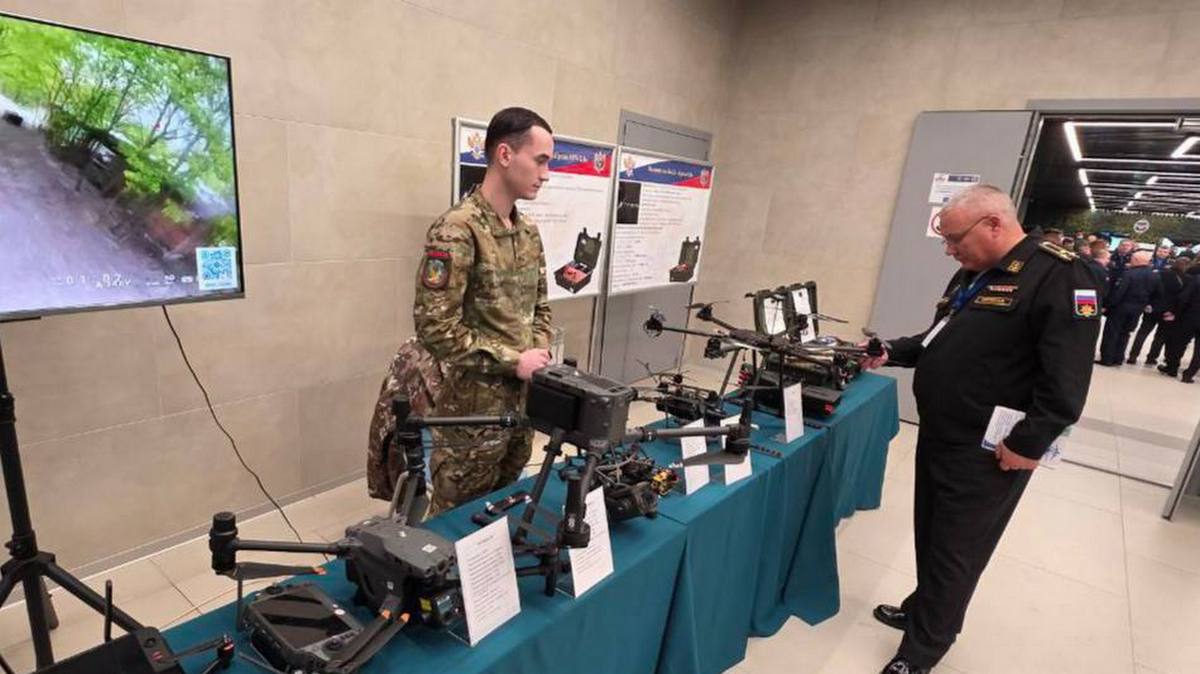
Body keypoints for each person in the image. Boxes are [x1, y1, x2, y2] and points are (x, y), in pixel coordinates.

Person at [859, 185, 1100, 674]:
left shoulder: (1061, 275)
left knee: (958, 550)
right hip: (942, 431)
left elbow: (1068, 379)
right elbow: (939, 337)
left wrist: (1028, 443)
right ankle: (923, 609)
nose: (949, 250)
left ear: (993, 223)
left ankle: (922, 651)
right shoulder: (975, 271)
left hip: (991, 448)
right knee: (931, 531)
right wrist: (893, 351)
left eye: (954, 239)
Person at [414, 107, 555, 514]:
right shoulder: (457, 230)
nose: (546, 174)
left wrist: (538, 353)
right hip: (470, 420)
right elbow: (435, 327)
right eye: (540, 160)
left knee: (502, 511)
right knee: (455, 524)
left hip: (521, 410)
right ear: (505, 155)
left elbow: (541, 306)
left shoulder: (527, 232)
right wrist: (514, 361)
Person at [1099, 250, 1157, 366]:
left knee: (1112, 333)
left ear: (1136, 260)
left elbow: (1119, 292)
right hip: (1137, 309)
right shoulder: (1153, 275)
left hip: (1121, 308)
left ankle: (1107, 358)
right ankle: (1118, 358)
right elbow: (1155, 293)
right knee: (1125, 333)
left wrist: (1108, 305)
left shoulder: (1129, 274)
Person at [1129, 257, 1187, 365]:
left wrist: (1148, 303)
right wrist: (1175, 311)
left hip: (1152, 308)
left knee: (1143, 332)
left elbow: (1150, 289)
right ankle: (1151, 358)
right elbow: (1181, 298)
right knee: (1160, 336)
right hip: (1168, 311)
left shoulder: (1160, 273)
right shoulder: (1184, 279)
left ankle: (1133, 356)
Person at [1161, 260, 1200, 382]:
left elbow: (1183, 298)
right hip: (1191, 317)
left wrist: (1176, 313)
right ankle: (1189, 374)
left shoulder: (1197, 279)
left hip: (1189, 317)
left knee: (1179, 343)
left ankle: (1172, 368)